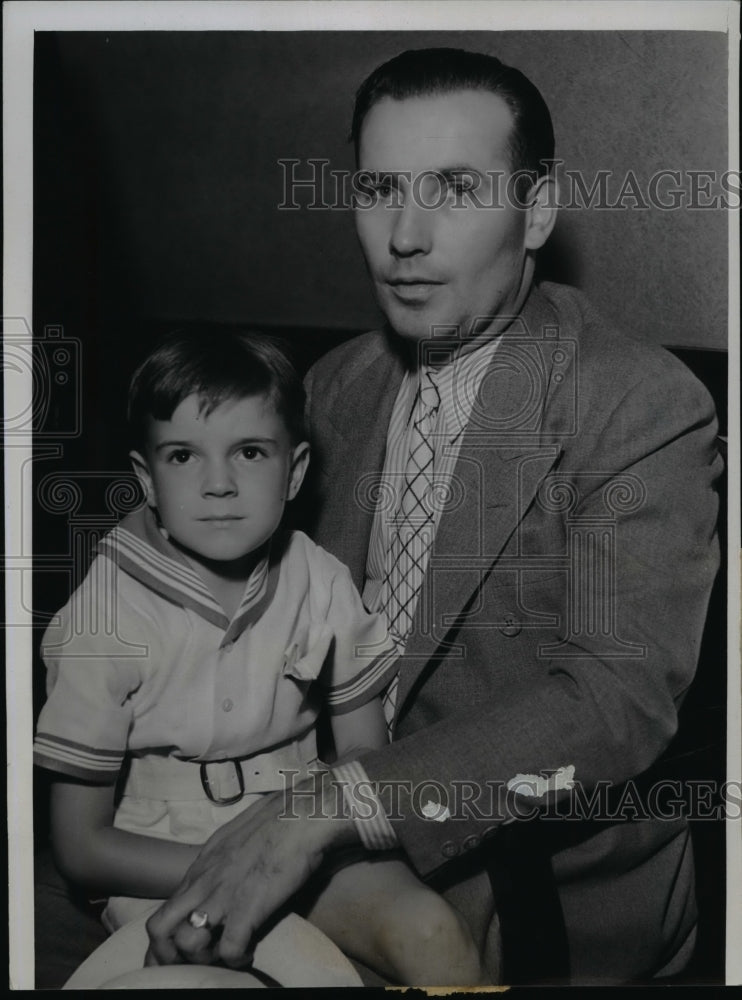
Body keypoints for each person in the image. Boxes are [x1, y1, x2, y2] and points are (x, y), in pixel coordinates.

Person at [144, 48, 723, 985]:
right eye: (380, 188)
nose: (404, 235)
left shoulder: (638, 402)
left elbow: (616, 703)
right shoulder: (336, 385)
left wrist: (333, 805)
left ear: (536, 210)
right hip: (315, 825)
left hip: (523, 874)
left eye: (454, 188)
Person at [32, 329, 487, 987]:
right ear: (147, 479)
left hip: (303, 838)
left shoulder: (319, 579)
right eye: (184, 456)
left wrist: (295, 850)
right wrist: (233, 867)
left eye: (249, 451)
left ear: (295, 470)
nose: (219, 484)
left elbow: (364, 757)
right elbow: (82, 849)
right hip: (162, 863)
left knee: (433, 932)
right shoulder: (104, 616)